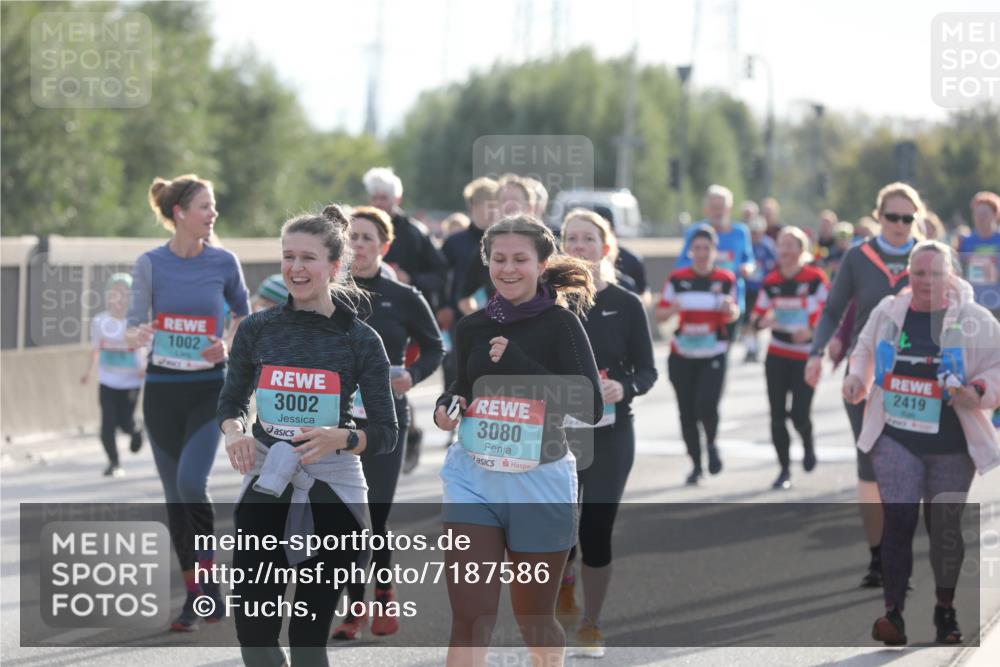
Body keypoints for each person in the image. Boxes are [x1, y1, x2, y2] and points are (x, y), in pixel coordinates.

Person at [218, 204, 398, 666]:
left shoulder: (360, 339)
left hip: (331, 489)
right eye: (288, 256)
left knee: (307, 641)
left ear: (334, 266)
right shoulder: (257, 329)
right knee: (254, 635)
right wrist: (235, 431)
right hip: (269, 481)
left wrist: (341, 438)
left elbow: (385, 432)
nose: (296, 268)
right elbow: (231, 401)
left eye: (308, 258)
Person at [432, 215, 603, 667]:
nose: (508, 269)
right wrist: (447, 406)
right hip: (474, 478)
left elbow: (590, 406)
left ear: (542, 264)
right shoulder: (472, 326)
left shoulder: (561, 325)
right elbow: (462, 385)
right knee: (470, 618)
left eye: (520, 260)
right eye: (499, 259)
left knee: (534, 620)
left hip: (539, 480)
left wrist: (519, 362)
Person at [842, 240, 1000, 646]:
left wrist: (978, 390)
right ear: (908, 276)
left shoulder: (975, 320)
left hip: (951, 443)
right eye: (918, 273)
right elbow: (864, 349)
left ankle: (945, 611)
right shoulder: (889, 311)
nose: (926, 281)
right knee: (898, 518)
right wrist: (857, 377)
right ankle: (893, 613)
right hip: (896, 435)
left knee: (943, 526)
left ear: (951, 276)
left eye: (935, 274)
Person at [128, 174, 251, 630]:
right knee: (174, 498)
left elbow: (244, 317)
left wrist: (227, 343)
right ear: (179, 213)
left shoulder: (223, 261)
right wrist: (137, 333)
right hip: (161, 391)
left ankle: (208, 583)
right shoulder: (150, 264)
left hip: (207, 390)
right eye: (204, 206)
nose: (213, 213)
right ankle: (195, 596)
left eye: (213, 205)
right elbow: (131, 325)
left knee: (190, 485)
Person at [806, 181, 926, 588]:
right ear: (879, 217)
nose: (900, 224)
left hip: (917, 380)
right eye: (892, 216)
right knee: (872, 466)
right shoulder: (858, 257)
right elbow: (833, 310)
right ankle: (879, 557)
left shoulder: (928, 257)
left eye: (907, 218)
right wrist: (816, 352)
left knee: (908, 471)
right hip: (866, 376)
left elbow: (957, 313)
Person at [332, 205, 444, 639]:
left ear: (385, 245)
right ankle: (354, 607)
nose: (358, 245)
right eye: (351, 237)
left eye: (366, 238)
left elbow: (435, 347)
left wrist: (411, 375)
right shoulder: (329, 292)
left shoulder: (403, 296)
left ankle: (381, 594)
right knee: (344, 518)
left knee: (372, 517)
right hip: (336, 421)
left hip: (385, 421)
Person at [558, 209, 657, 657]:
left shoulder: (626, 303)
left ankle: (591, 624)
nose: (579, 246)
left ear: (606, 247)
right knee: (559, 525)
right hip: (558, 433)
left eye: (588, 239)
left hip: (611, 432)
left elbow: (648, 371)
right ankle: (565, 577)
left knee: (596, 528)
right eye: (571, 238)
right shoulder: (548, 302)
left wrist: (624, 386)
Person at [363, 167, 449, 470]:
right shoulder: (359, 226)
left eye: (384, 198)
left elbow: (440, 273)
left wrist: (409, 278)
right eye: (374, 197)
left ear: (396, 198)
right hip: (368, 312)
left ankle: (407, 433)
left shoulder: (413, 232)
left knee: (394, 381)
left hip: (403, 320)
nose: (379, 203)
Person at [657, 224, 741, 485]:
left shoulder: (725, 279)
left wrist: (729, 310)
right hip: (682, 354)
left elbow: (734, 312)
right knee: (687, 412)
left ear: (715, 251)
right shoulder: (677, 279)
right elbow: (660, 314)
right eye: (697, 248)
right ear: (690, 251)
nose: (702, 253)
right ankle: (696, 464)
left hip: (713, 352)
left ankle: (712, 443)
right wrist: (672, 309)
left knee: (706, 404)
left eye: (707, 248)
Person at [750, 227, 830, 489]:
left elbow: (831, 313)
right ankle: (784, 470)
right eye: (781, 245)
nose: (784, 250)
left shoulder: (815, 279)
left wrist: (811, 330)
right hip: (777, 354)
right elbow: (756, 317)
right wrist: (763, 321)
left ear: (801, 250)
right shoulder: (771, 281)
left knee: (799, 414)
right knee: (776, 415)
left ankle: (807, 440)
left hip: (805, 356)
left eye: (790, 245)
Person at [80, 273, 146, 477]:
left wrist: (144, 367)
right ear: (108, 297)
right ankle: (114, 462)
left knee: (125, 423)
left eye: (124, 294)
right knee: (107, 426)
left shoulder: (136, 322)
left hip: (130, 383)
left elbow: (144, 348)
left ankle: (136, 430)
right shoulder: (100, 321)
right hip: (107, 381)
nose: (119, 298)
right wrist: (88, 372)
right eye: (114, 293)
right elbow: (96, 349)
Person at [675, 185, 754, 340]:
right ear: (706, 209)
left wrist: (747, 268)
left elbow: (749, 259)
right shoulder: (696, 231)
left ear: (729, 208)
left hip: (730, 299)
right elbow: (681, 264)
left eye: (722, 207)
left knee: (726, 344)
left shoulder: (741, 232)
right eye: (714, 207)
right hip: (700, 298)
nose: (718, 212)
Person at [958, 191, 1000, 319]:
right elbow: (960, 272)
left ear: (995, 215)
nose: (980, 218)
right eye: (977, 214)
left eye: (985, 214)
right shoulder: (965, 242)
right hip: (974, 304)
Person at [742, 215, 777, 362]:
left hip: (760, 289)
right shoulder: (745, 244)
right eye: (753, 232)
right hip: (746, 288)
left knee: (756, 319)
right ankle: (749, 348)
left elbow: (775, 264)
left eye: (757, 232)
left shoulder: (768, 245)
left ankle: (755, 348)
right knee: (745, 320)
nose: (755, 235)